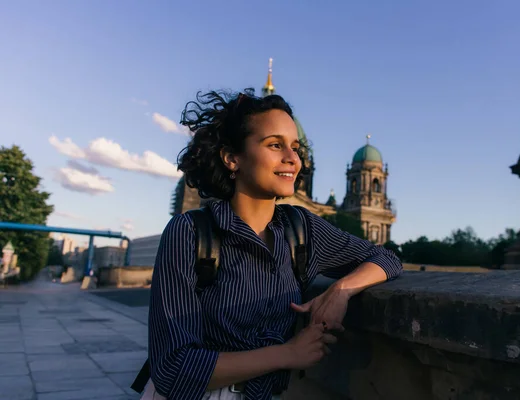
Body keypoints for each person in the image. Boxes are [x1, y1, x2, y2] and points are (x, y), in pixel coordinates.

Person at [143, 89, 403, 400]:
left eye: (296, 147)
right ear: (231, 158)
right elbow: (173, 369)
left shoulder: (302, 227)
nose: (292, 158)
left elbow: (386, 258)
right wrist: (288, 354)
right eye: (275, 145)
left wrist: (341, 291)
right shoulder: (188, 232)